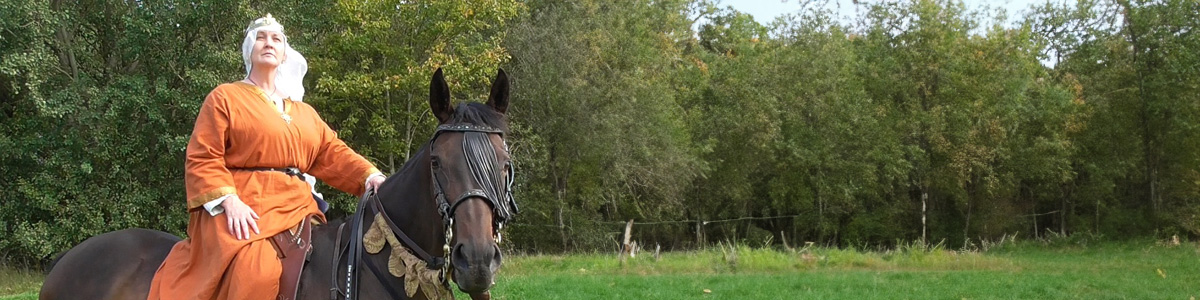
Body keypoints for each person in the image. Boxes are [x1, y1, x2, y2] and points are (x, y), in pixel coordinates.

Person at [147, 14, 386, 299]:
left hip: (297, 207)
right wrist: (228, 200)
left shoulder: (303, 113)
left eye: (276, 39)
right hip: (245, 208)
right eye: (261, 38)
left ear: (285, 54)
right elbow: (203, 156)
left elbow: (331, 152)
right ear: (250, 49)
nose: (268, 43)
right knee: (256, 273)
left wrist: (369, 175)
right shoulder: (225, 97)